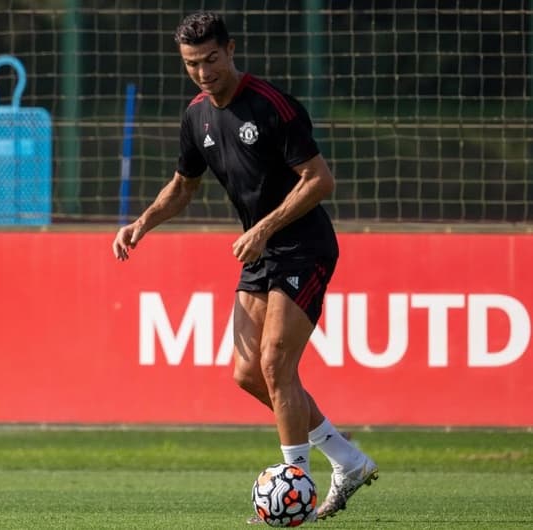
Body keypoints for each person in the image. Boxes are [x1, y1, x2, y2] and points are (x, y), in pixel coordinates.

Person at [111, 11, 378, 522]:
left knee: (278, 364)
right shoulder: (195, 117)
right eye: (192, 63)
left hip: (303, 244)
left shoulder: (272, 105)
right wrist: (141, 223)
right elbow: (183, 186)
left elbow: (319, 180)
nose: (203, 71)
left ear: (231, 50)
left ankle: (294, 482)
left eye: (211, 59)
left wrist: (262, 228)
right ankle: (348, 459)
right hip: (259, 250)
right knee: (247, 373)